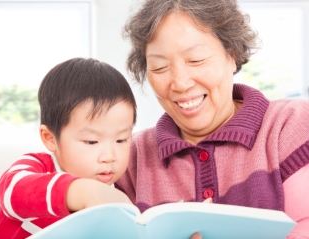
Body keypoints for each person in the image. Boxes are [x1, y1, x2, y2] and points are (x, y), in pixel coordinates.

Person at [115, 0, 309, 238]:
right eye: (160, 67)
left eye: (196, 60)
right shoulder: (128, 156)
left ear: (232, 54)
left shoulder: (293, 125)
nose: (180, 83)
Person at [0, 57, 137, 239]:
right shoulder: (36, 167)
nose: (109, 156)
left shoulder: (116, 193)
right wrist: (83, 192)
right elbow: (11, 190)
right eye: (91, 142)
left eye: (121, 140)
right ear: (50, 138)